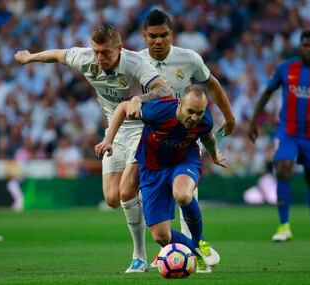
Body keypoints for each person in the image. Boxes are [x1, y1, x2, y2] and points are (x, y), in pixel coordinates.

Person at [14, 24, 173, 272]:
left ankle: (139, 256)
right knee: (111, 198)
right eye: (96, 51)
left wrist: (138, 99)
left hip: (143, 130)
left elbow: (165, 89)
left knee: (125, 192)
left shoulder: (134, 63)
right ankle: (152, 190)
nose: (100, 57)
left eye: (105, 53)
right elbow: (57, 55)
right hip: (114, 132)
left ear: (119, 49)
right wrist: (29, 57)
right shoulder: (86, 59)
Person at [139, 9, 235, 272]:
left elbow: (212, 84)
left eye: (164, 35)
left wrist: (228, 115)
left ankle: (197, 246)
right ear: (144, 36)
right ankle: (150, 253)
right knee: (125, 197)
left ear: (172, 34)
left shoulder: (189, 59)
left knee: (184, 195)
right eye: (153, 36)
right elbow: (126, 102)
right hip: (148, 142)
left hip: (184, 142)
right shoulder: (135, 62)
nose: (158, 41)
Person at [95, 84, 225, 269]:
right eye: (190, 111)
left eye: (200, 112)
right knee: (161, 236)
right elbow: (123, 107)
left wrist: (214, 155)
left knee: (183, 194)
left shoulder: (205, 121)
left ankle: (200, 242)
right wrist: (108, 139)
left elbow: (208, 138)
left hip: (184, 161)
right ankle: (195, 253)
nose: (195, 118)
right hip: (152, 168)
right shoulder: (159, 111)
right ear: (179, 104)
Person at [248, 30, 310, 244]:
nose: (308, 49)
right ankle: (284, 226)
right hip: (287, 131)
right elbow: (267, 92)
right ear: (300, 46)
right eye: (305, 45)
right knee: (283, 168)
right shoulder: (285, 68)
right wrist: (253, 120)